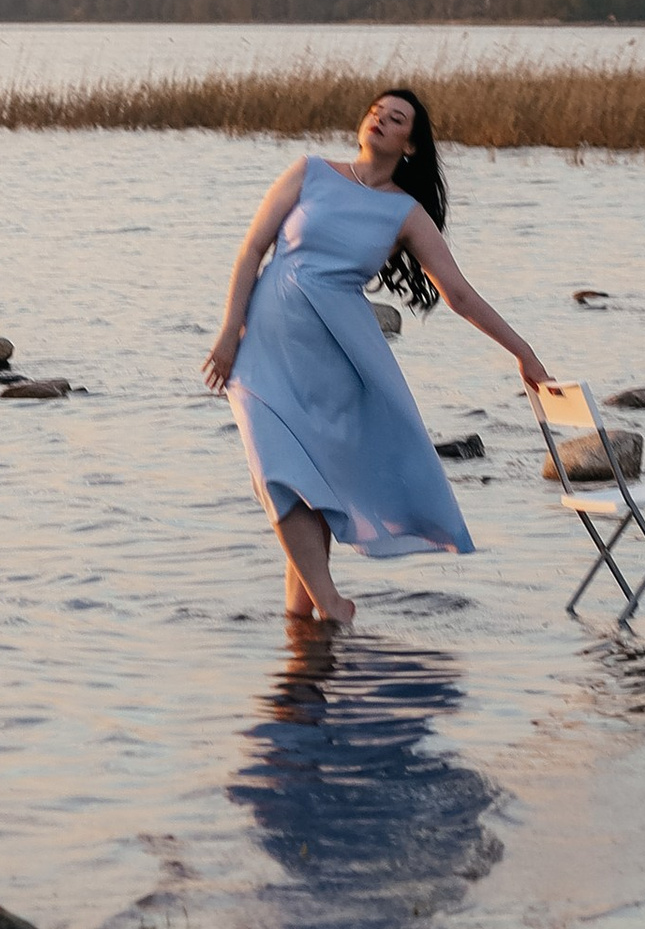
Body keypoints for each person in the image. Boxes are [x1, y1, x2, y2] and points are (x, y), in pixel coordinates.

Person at [202, 87, 551, 625]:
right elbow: (252, 250)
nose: (380, 121)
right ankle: (324, 606)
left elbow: (458, 294)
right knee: (277, 469)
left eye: (396, 119)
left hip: (336, 357)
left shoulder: (403, 213)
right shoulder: (309, 171)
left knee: (308, 479)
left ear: (410, 145)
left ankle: (310, 615)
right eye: (375, 112)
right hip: (265, 346)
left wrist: (523, 352)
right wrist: (229, 333)